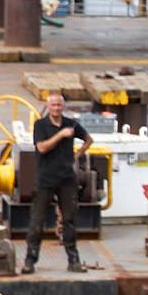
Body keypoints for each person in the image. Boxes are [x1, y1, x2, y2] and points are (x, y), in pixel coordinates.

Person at [25, 91, 93, 274]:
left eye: (59, 105)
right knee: (37, 221)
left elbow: (88, 139)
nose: (56, 108)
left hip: (67, 180)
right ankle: (30, 260)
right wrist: (61, 135)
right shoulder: (41, 125)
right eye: (53, 105)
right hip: (46, 179)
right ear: (48, 107)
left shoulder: (71, 124)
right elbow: (42, 147)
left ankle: (74, 260)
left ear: (63, 107)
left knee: (69, 220)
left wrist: (78, 154)